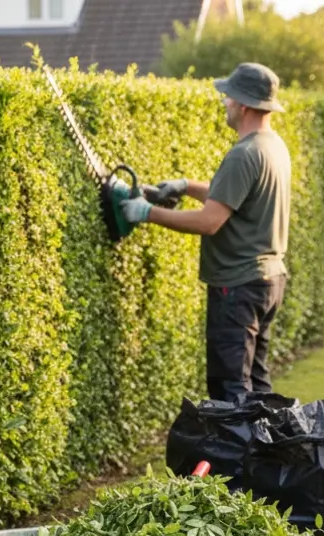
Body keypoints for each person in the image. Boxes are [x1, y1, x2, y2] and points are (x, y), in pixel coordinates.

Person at [121, 62, 292, 403]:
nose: (225, 104)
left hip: (238, 286)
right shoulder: (273, 146)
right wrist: (184, 186)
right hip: (268, 281)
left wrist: (147, 213)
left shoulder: (244, 154)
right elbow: (230, 196)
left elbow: (210, 221)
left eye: (227, 98)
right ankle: (266, 455)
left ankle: (240, 457)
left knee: (231, 393)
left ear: (242, 105)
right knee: (257, 388)